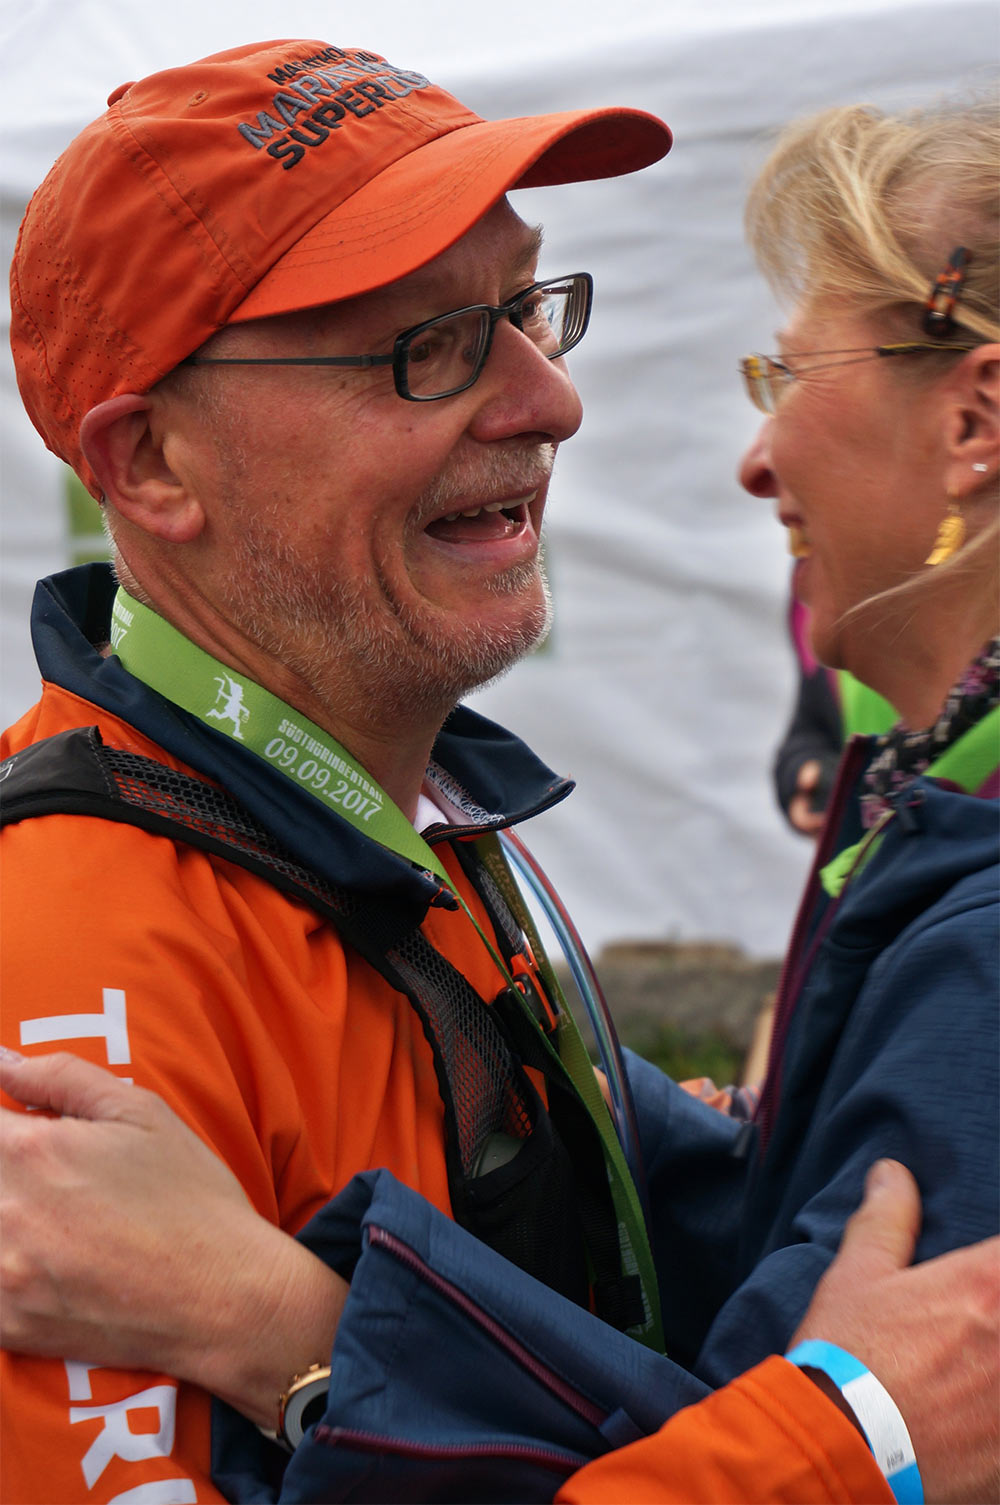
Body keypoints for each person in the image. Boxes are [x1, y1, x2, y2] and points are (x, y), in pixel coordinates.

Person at [0, 54, 996, 1502]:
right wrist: (838, 1454)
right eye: (429, 342)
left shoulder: (401, 826)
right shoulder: (68, 986)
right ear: (150, 467)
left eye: (527, 310)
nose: (550, 401)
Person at [773, 562, 897, 837]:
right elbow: (812, 723)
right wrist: (806, 772)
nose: (783, 517)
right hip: (871, 854)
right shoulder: (810, 582)